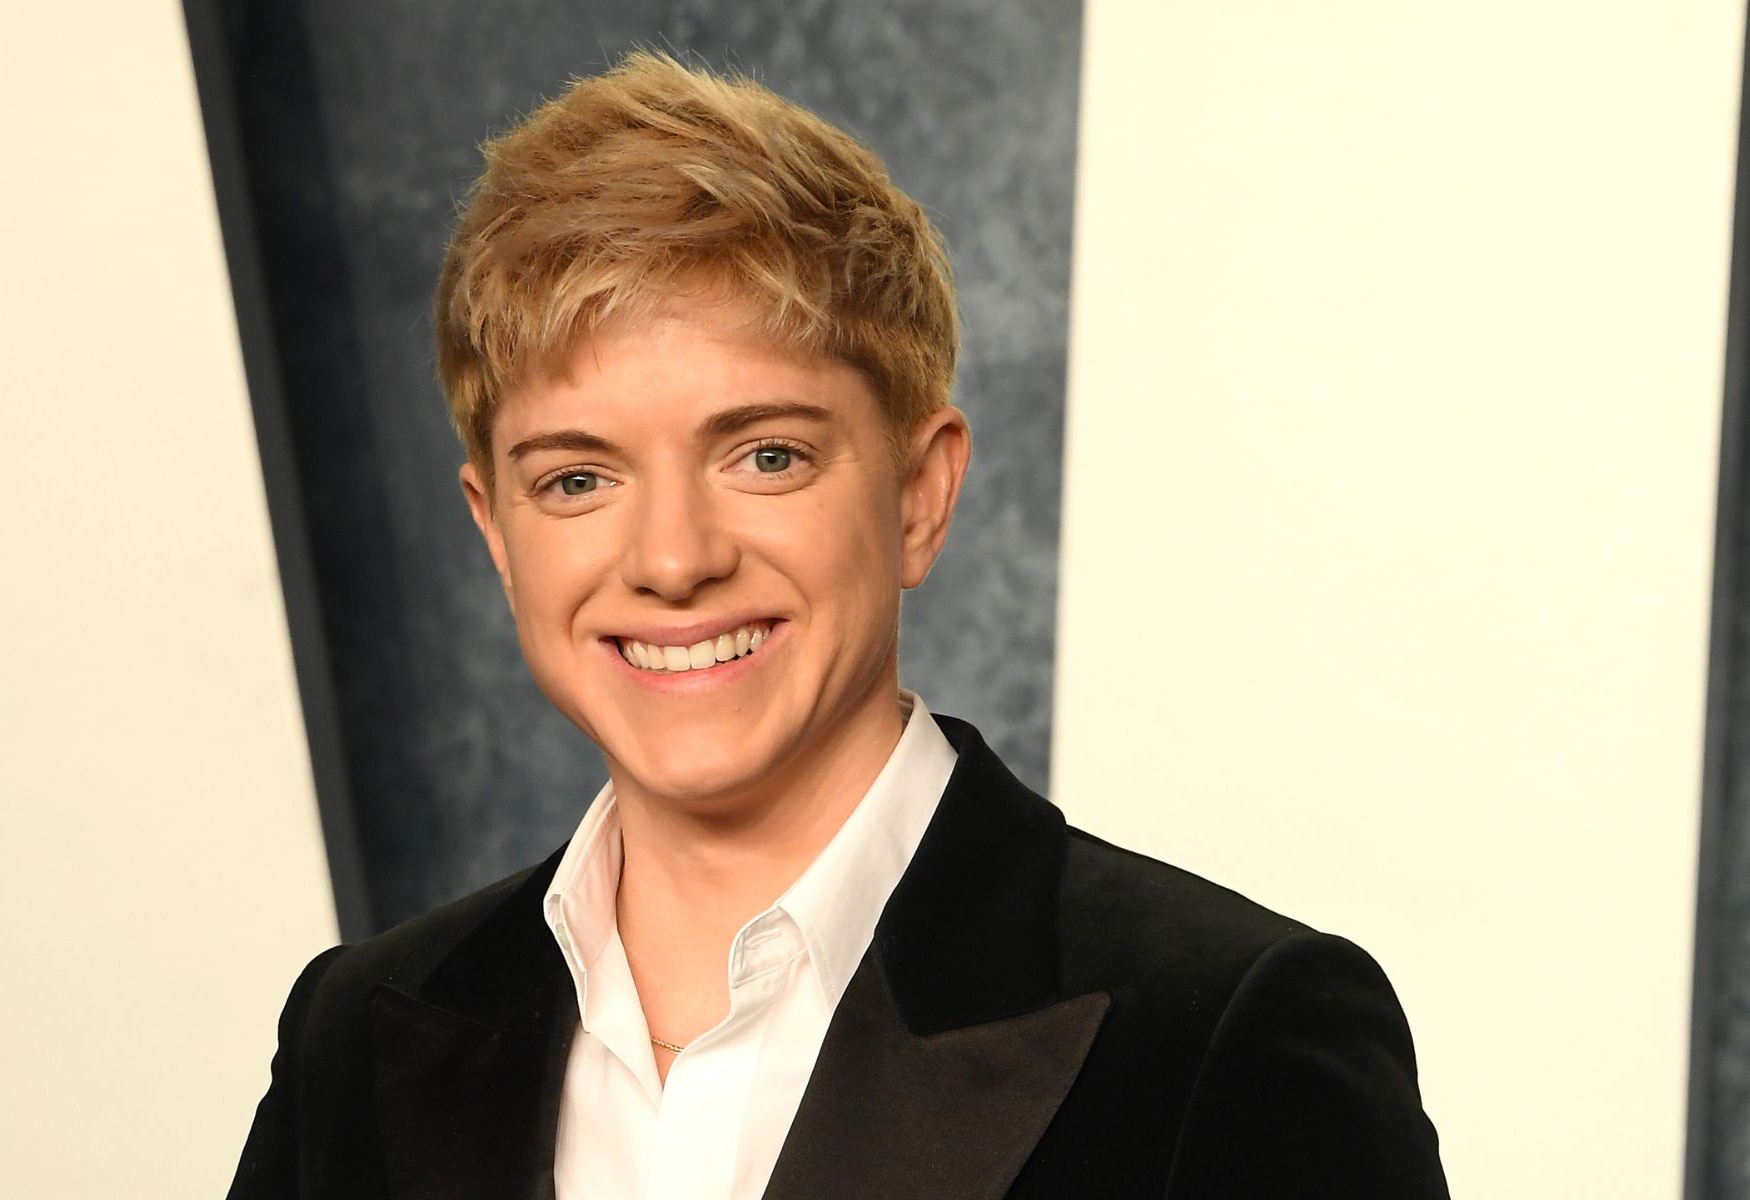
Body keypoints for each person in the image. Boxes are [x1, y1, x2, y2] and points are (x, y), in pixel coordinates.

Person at [227, 50, 1449, 1200]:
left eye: (765, 455)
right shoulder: (354, 1043)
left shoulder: (1227, 1036)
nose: (673, 560)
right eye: (577, 479)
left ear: (920, 494)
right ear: (495, 529)